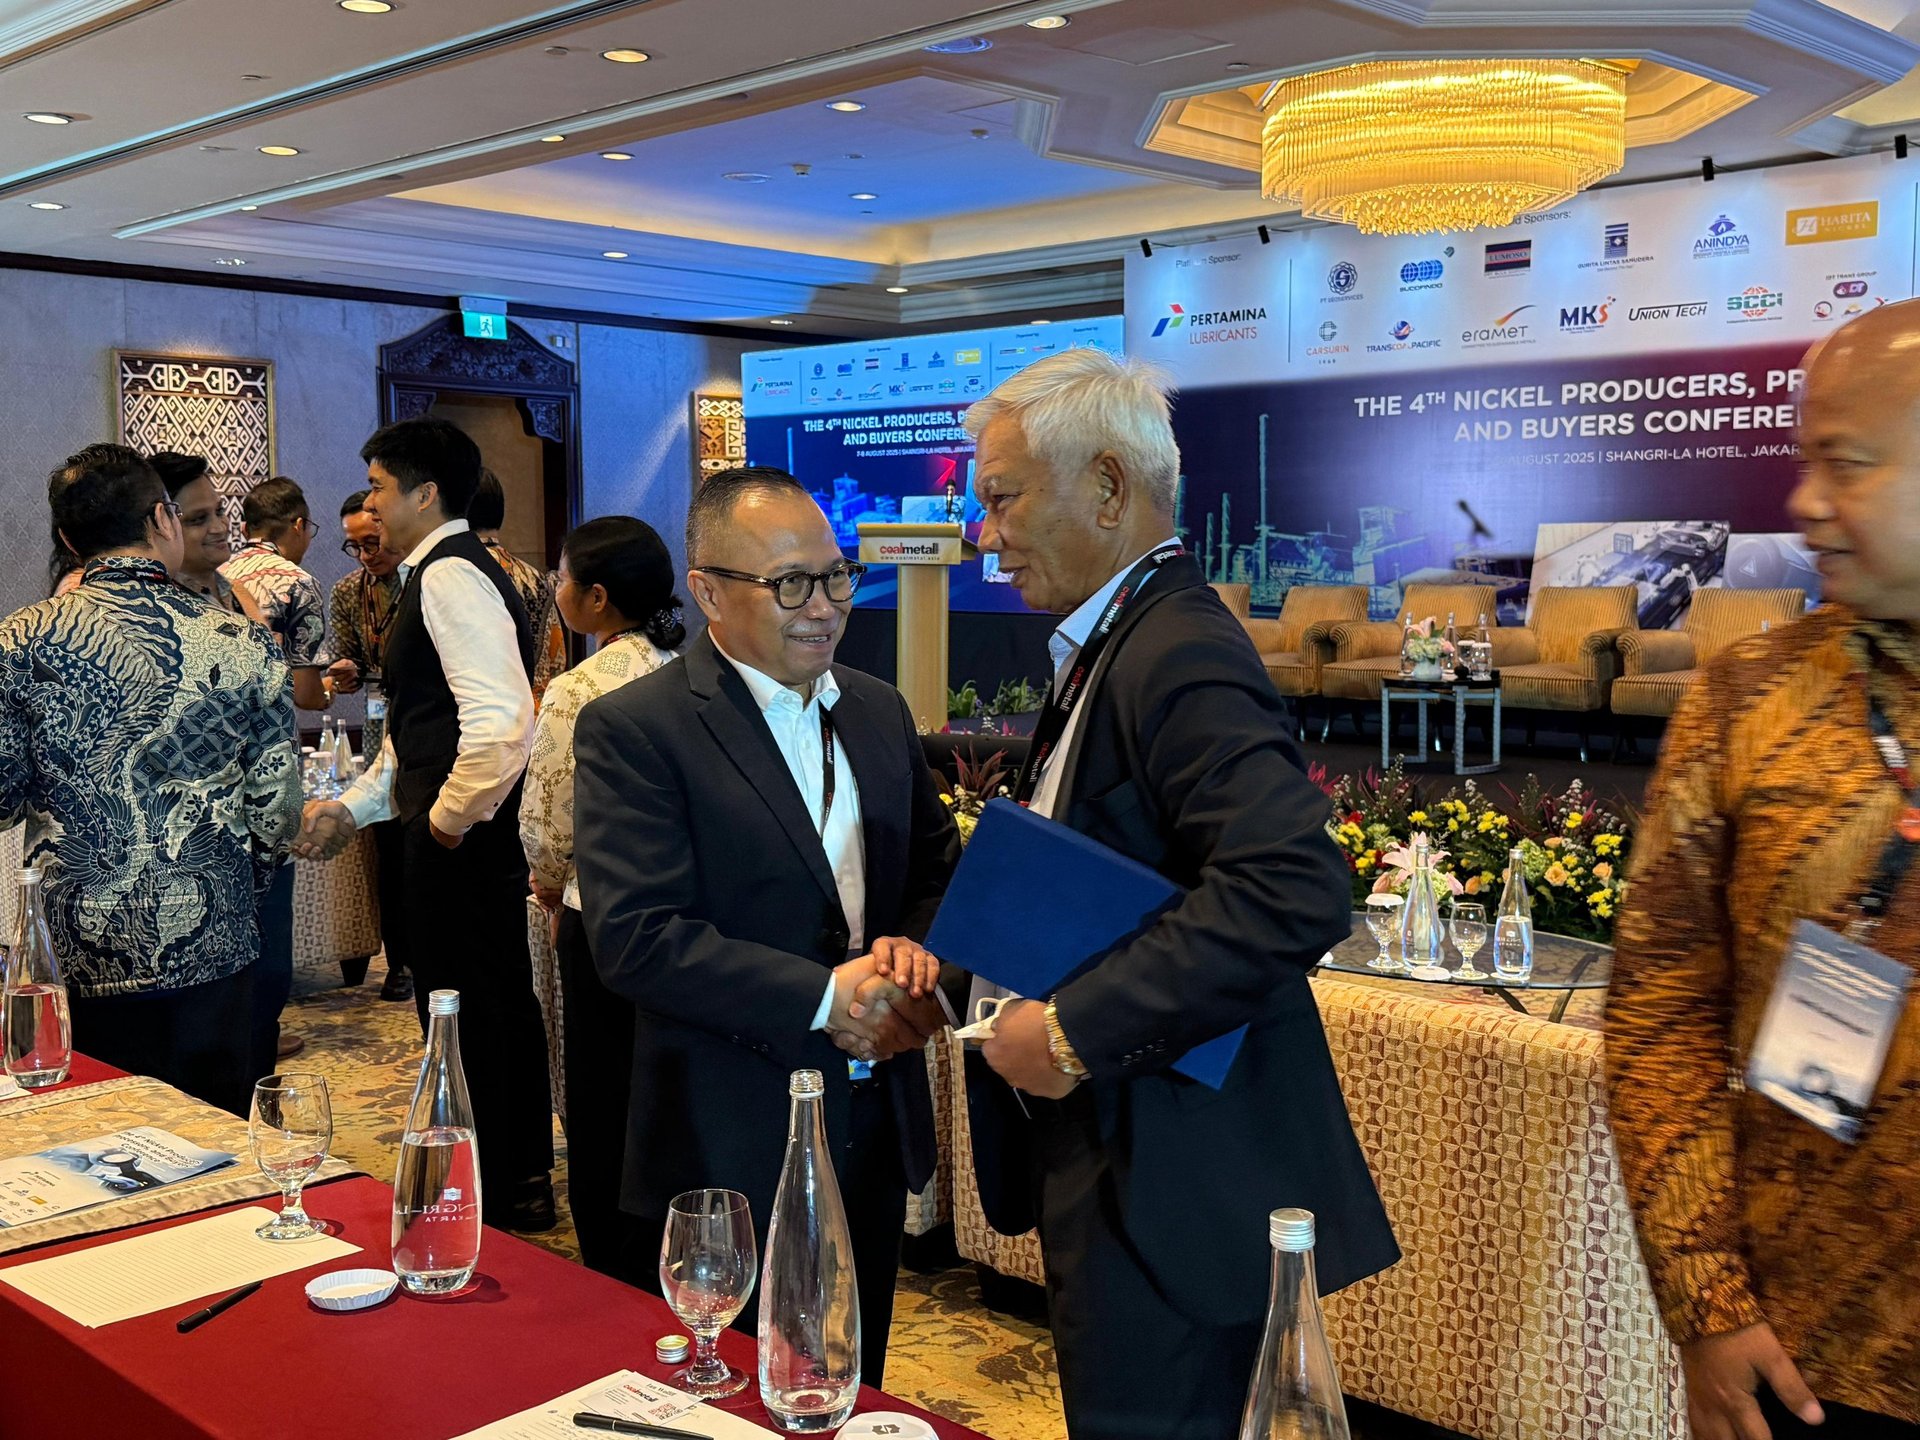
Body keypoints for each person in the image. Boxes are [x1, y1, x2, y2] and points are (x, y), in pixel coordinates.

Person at [946, 349, 1398, 1439]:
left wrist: (1072, 1030)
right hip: (1125, 1154)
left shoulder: (1175, 647)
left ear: (1107, 488)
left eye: (1002, 499)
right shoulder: (1122, 635)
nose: (985, 535)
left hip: (1172, 1176)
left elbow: (1292, 888)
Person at [1606, 301, 1920, 1440]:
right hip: (1805, 1358)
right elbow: (1659, 1012)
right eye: (1805, 460)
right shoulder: (1748, 698)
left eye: (1848, 463)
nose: (1805, 502)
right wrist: (1707, 1302)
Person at [572, 466, 958, 1383]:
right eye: (789, 584)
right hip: (727, 1127)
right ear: (708, 592)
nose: (822, 607)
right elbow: (637, 936)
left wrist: (917, 962)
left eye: (836, 576)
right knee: (735, 1387)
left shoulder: (876, 708)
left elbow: (938, 874)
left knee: (854, 1371)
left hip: (871, 1110)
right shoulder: (638, 728)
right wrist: (827, 996)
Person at [295, 416, 556, 1232]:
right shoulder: (436, 573)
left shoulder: (449, 576)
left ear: (426, 493)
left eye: (378, 488)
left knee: (475, 1010)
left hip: (463, 843)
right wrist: (355, 807)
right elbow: (419, 733)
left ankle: (505, 1187)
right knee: (474, 1007)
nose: (370, 506)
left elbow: (502, 726)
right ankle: (504, 1180)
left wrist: (444, 824)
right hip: (455, 833)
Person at [0, 444, 299, 1116]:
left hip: (78, 947)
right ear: (163, 518)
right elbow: (277, 814)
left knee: (96, 1128)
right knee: (216, 1131)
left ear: (68, 540)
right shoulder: (243, 642)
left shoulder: (18, 640)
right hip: (213, 935)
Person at [519, 516, 685, 1276]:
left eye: (561, 578)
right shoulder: (698, 672)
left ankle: (616, 1265)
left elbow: (550, 818)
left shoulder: (580, 689)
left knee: (603, 1094)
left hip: (605, 920)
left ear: (595, 598)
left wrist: (549, 884)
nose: (556, 589)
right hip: (694, 921)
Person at [321, 489, 411, 1003]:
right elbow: (349, 656)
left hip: (425, 719)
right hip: (379, 726)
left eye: (371, 542)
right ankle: (399, 962)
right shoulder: (347, 592)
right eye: (353, 546)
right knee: (388, 849)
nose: (364, 555)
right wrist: (348, 672)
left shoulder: (422, 582)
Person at [220, 476, 330, 713]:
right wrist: (330, 689)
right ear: (299, 525)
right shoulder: (300, 583)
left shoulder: (216, 575)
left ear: (245, 530)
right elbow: (306, 696)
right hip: (266, 727)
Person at [468, 468, 567, 706]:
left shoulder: (458, 573)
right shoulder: (536, 578)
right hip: (537, 711)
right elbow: (556, 660)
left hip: (481, 714)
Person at [148, 452, 268, 626]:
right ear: (161, 524)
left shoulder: (239, 593)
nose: (219, 528)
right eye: (198, 519)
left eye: (219, 512)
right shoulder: (157, 607)